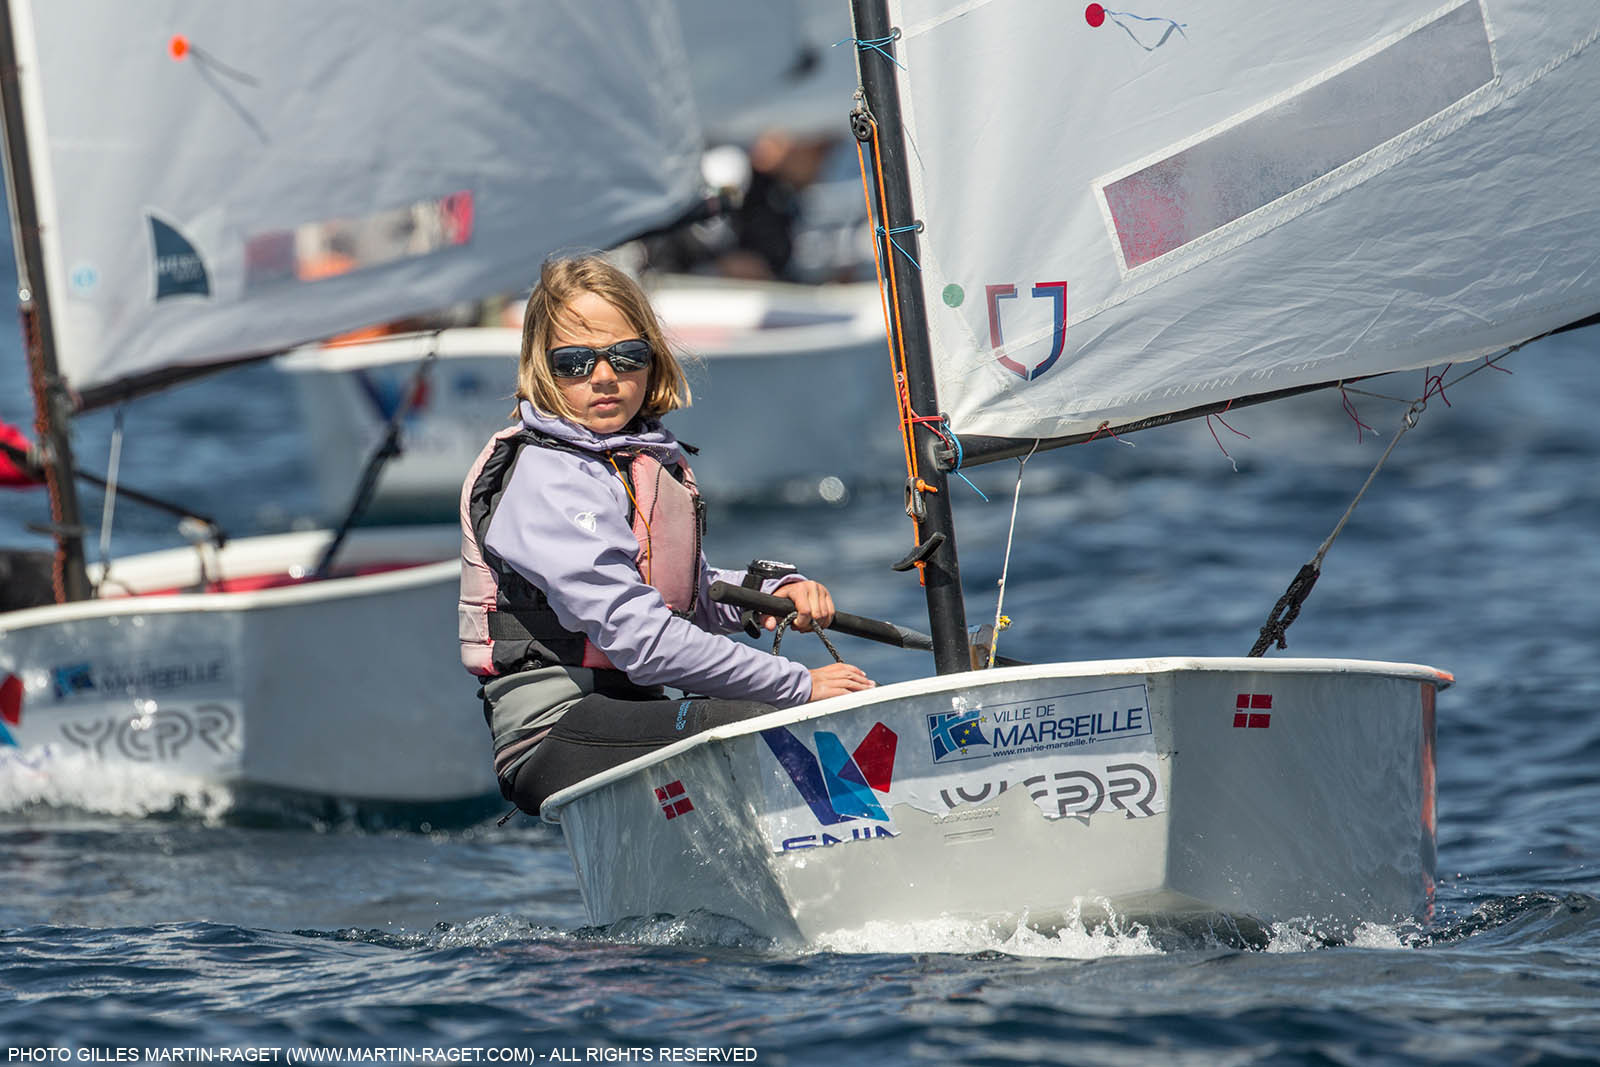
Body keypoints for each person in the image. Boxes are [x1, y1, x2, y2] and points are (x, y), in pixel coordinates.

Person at [458, 255, 874, 816]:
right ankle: (855, 836)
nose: (604, 376)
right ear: (541, 368)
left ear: (652, 360)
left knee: (785, 713)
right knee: (781, 715)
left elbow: (681, 595)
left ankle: (852, 841)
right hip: (553, 730)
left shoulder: (636, 459)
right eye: (575, 362)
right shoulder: (547, 477)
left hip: (633, 709)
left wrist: (763, 595)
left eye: (626, 356)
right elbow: (645, 640)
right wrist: (799, 684)